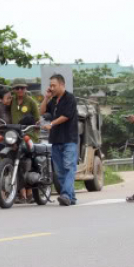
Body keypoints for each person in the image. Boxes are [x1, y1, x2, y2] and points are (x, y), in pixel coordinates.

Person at [41, 74, 79, 206]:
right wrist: (46, 98)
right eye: (50, 85)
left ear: (62, 85)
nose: (51, 88)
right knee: (59, 171)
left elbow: (66, 116)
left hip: (69, 139)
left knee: (69, 167)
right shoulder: (53, 100)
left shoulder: (70, 98)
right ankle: (71, 197)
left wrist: (51, 124)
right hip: (55, 140)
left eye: (54, 85)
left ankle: (66, 195)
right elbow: (42, 111)